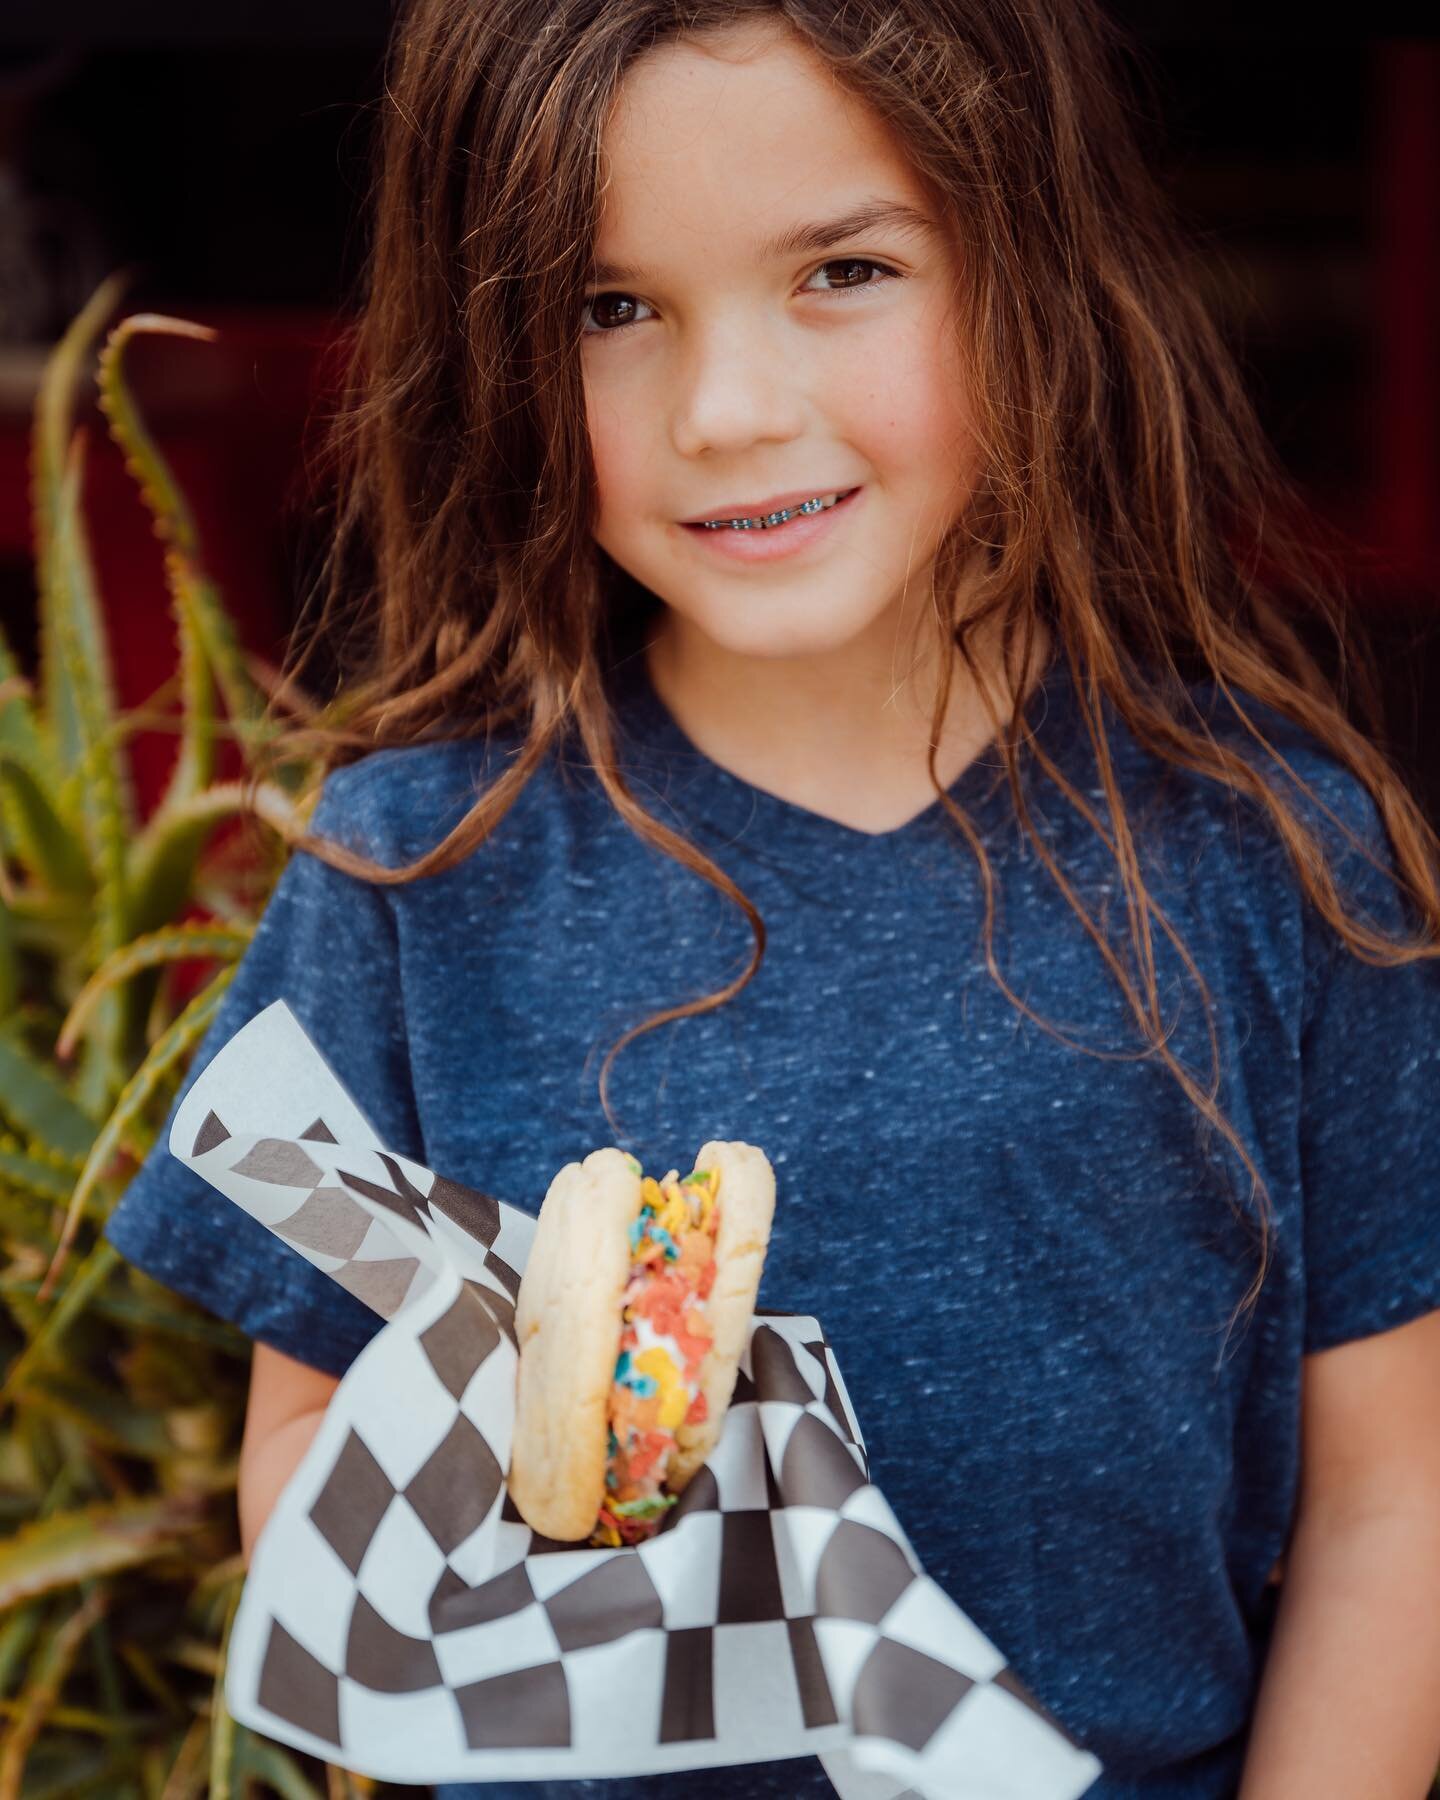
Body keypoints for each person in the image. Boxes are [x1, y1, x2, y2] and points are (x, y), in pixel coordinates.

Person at [104, 1, 1440, 1795]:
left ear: (1034, 266)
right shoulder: (416, 864)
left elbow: (1393, 1497)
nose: (728, 412)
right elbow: (314, 1447)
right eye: (610, 308)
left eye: (844, 271)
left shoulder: (1272, 850)